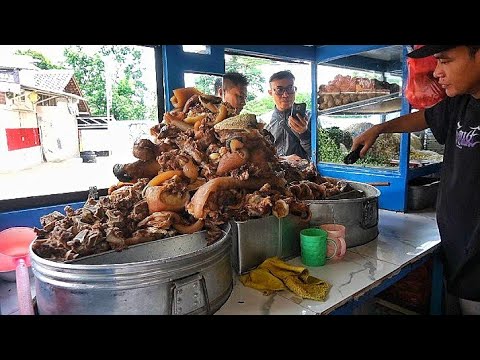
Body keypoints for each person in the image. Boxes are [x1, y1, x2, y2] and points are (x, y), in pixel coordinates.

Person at [350, 45, 480, 315]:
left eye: (445, 61)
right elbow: (423, 117)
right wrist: (380, 128)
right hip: (456, 249)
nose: (436, 72)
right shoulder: (461, 103)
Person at [265, 70, 311, 160]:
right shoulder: (265, 123)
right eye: (279, 90)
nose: (285, 95)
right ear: (270, 93)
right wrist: (284, 160)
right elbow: (263, 157)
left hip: (305, 172)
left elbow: (319, 154)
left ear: (295, 89)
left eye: (290, 89)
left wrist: (304, 134)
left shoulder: (310, 117)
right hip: (277, 173)